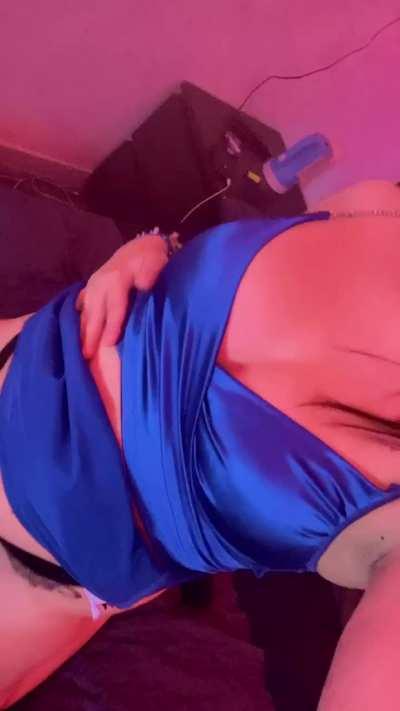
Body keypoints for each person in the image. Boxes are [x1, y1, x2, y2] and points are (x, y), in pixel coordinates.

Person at [2, 179, 400, 709]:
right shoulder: (379, 205)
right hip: (39, 542)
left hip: (26, 400)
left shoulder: (376, 204)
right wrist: (155, 246)